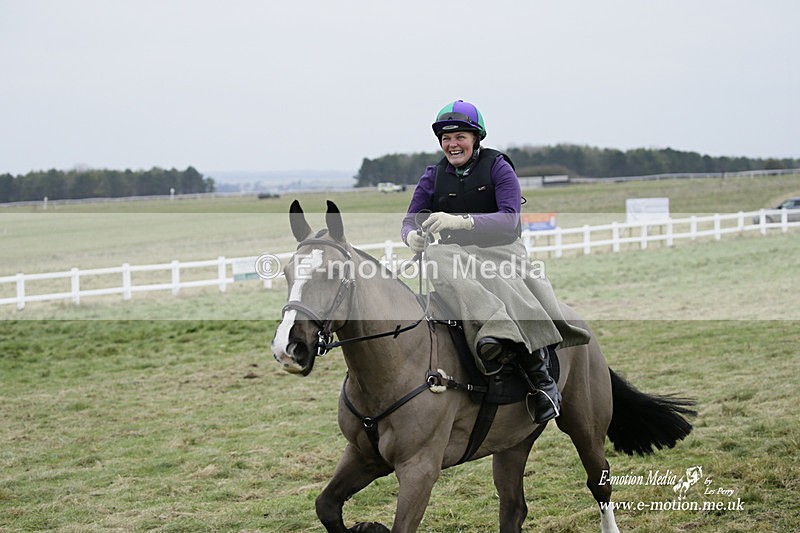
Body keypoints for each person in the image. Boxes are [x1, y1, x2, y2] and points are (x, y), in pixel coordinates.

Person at [401, 99, 590, 424]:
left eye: (459, 136)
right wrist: (410, 237)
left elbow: (508, 219)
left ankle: (541, 377)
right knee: (436, 255)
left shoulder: (499, 167)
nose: (452, 144)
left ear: (475, 138)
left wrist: (462, 222)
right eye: (446, 138)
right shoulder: (432, 175)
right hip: (452, 259)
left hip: (501, 252)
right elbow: (410, 220)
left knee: (478, 273)